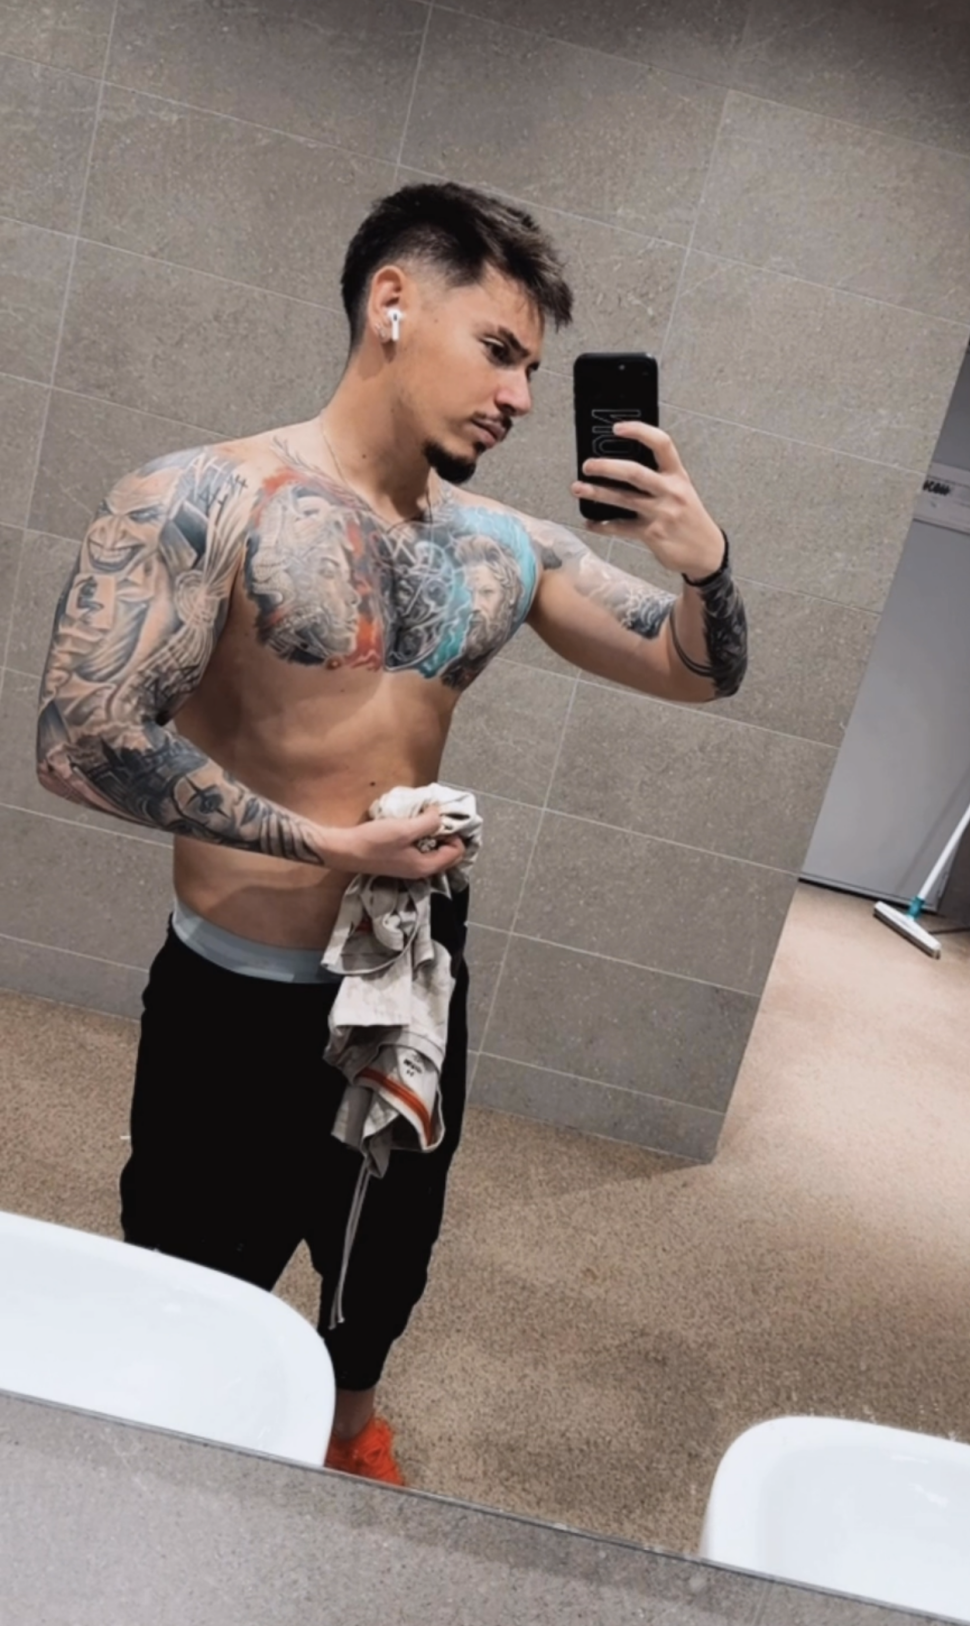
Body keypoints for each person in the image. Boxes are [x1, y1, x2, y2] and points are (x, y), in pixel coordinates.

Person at [36, 182, 748, 1485]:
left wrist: (704, 564)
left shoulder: (504, 549)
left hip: (406, 977)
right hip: (239, 991)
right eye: (499, 350)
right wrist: (328, 848)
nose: (519, 397)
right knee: (191, 1270)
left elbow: (698, 672)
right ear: (393, 303)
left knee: (387, 1246)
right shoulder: (204, 497)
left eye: (533, 371)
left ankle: (348, 1420)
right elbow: (79, 739)